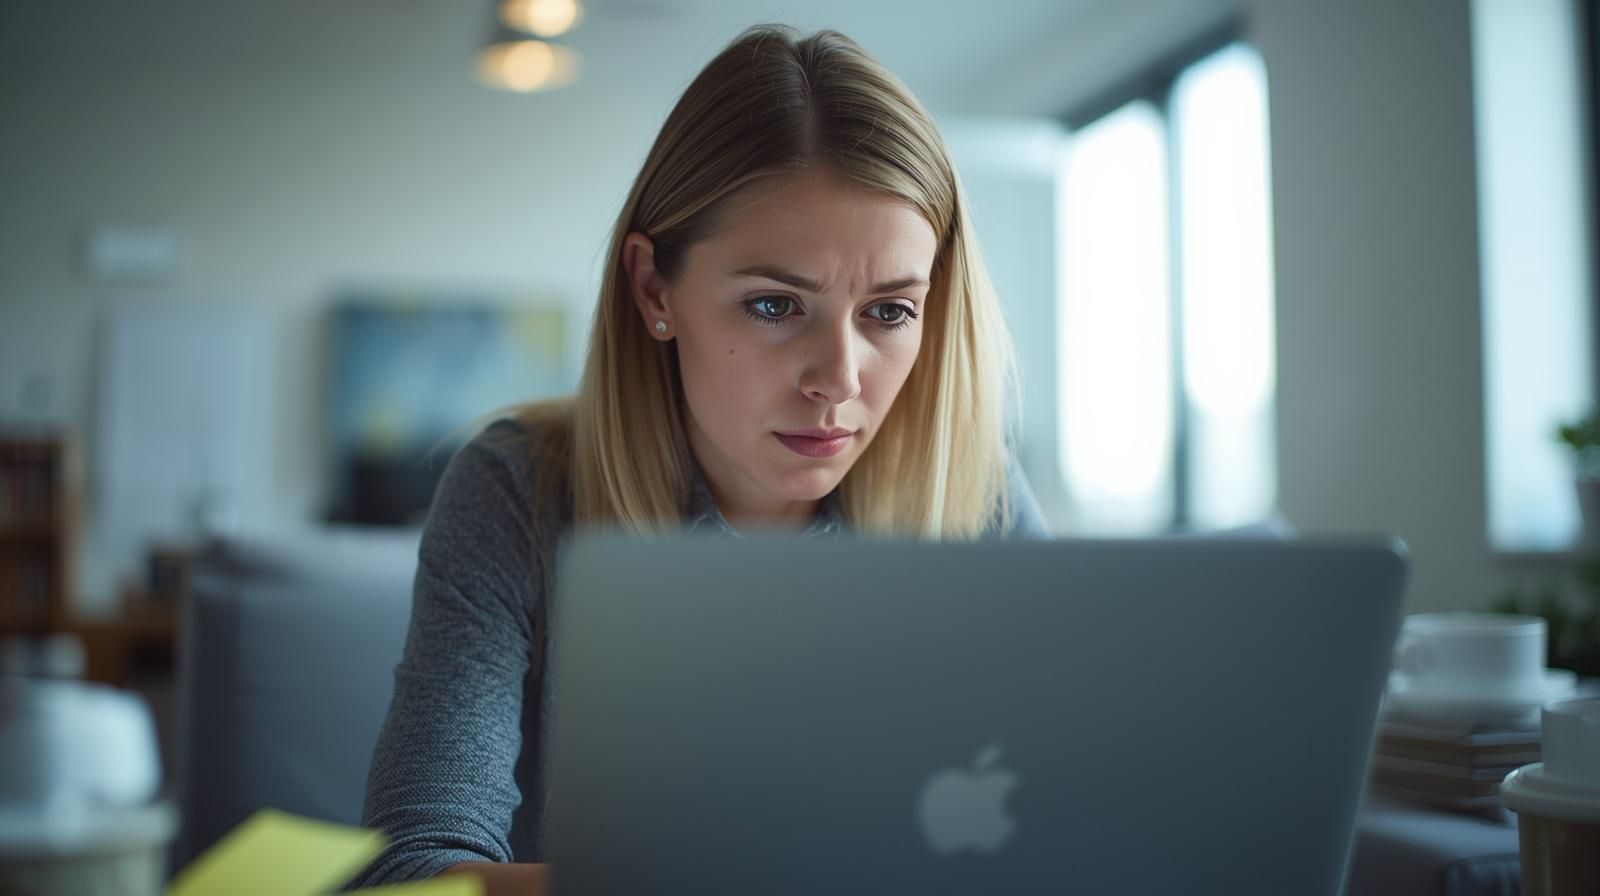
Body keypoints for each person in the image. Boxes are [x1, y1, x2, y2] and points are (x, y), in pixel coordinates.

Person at [344, 23, 1048, 895]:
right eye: (773, 305)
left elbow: (1077, 818)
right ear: (653, 290)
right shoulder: (518, 490)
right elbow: (413, 876)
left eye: (891, 312)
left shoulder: (978, 501)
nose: (838, 380)